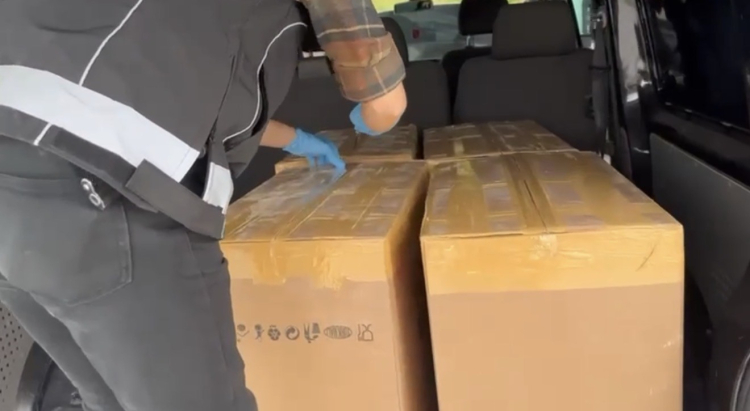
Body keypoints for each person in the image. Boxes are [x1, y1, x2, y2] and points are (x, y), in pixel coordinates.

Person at [0, 0, 406, 409]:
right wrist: (371, 125)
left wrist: (297, 140)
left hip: (16, 171)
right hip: (106, 190)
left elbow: (170, 99)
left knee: (109, 401)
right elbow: (386, 104)